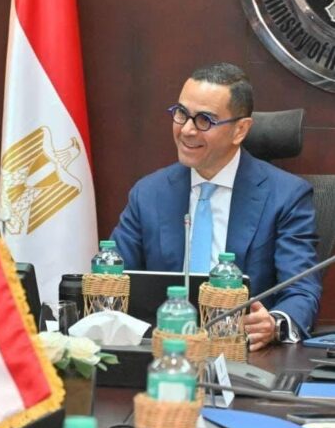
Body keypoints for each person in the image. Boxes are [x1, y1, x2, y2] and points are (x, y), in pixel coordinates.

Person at [110, 62, 321, 351]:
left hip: (242, 353)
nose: (187, 130)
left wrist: (273, 323)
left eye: (204, 120)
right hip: (163, 348)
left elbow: (301, 290)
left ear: (240, 130)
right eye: (181, 113)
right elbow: (113, 279)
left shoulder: (286, 196)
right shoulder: (149, 193)